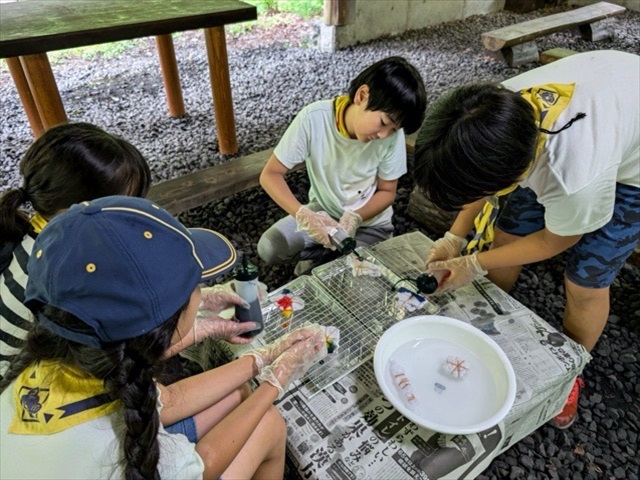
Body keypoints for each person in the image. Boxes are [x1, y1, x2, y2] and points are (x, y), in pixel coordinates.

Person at [0, 195, 327, 479]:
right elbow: (202, 464)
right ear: (160, 330)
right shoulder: (122, 456)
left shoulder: (67, 357)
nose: (202, 293)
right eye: (197, 286)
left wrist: (262, 359)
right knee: (268, 424)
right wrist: (276, 382)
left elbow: (163, 402)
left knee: (240, 394)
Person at [413, 50, 639, 429]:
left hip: (633, 164)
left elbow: (556, 240)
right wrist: (455, 236)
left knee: (585, 279)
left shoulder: (574, 178)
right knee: (507, 233)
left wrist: (473, 262)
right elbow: (478, 187)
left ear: (509, 177)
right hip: (609, 96)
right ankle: (487, 310)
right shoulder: (490, 111)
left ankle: (568, 368)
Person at [0, 122, 258, 381]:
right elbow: (113, 359)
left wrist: (202, 299)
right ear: (84, 210)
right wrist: (206, 329)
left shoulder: (53, 242)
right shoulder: (55, 276)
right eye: (130, 203)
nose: (139, 213)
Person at [257, 56, 427, 275]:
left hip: (369, 226)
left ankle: (327, 258)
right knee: (270, 247)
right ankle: (323, 255)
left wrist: (355, 218)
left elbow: (387, 191)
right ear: (362, 96)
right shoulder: (313, 119)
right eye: (383, 123)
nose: (384, 134)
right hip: (323, 215)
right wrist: (303, 215)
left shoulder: (390, 138)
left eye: (394, 129)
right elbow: (270, 174)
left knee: (355, 282)